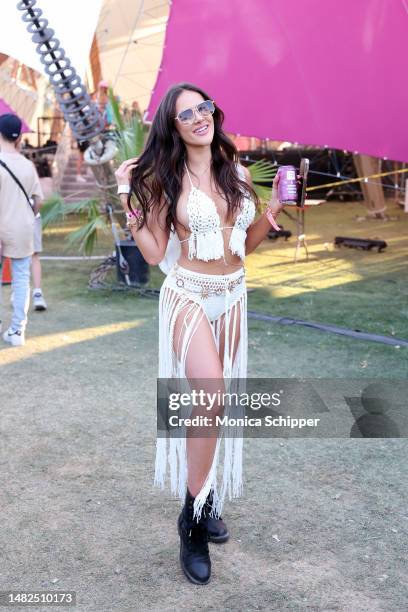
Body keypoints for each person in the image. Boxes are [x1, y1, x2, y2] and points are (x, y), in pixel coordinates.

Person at [114, 83, 289, 585]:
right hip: (188, 293)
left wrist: (272, 207)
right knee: (209, 392)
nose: (198, 117)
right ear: (173, 126)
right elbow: (152, 253)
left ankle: (206, 493)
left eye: (203, 107)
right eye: (185, 113)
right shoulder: (166, 179)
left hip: (233, 294)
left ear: (214, 112)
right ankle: (190, 523)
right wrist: (128, 198)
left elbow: (245, 244)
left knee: (219, 402)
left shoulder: (234, 171)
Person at [0, 113, 44, 346]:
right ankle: (17, 331)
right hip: (23, 228)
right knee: (20, 279)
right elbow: (37, 201)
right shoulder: (28, 165)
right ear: (18, 137)